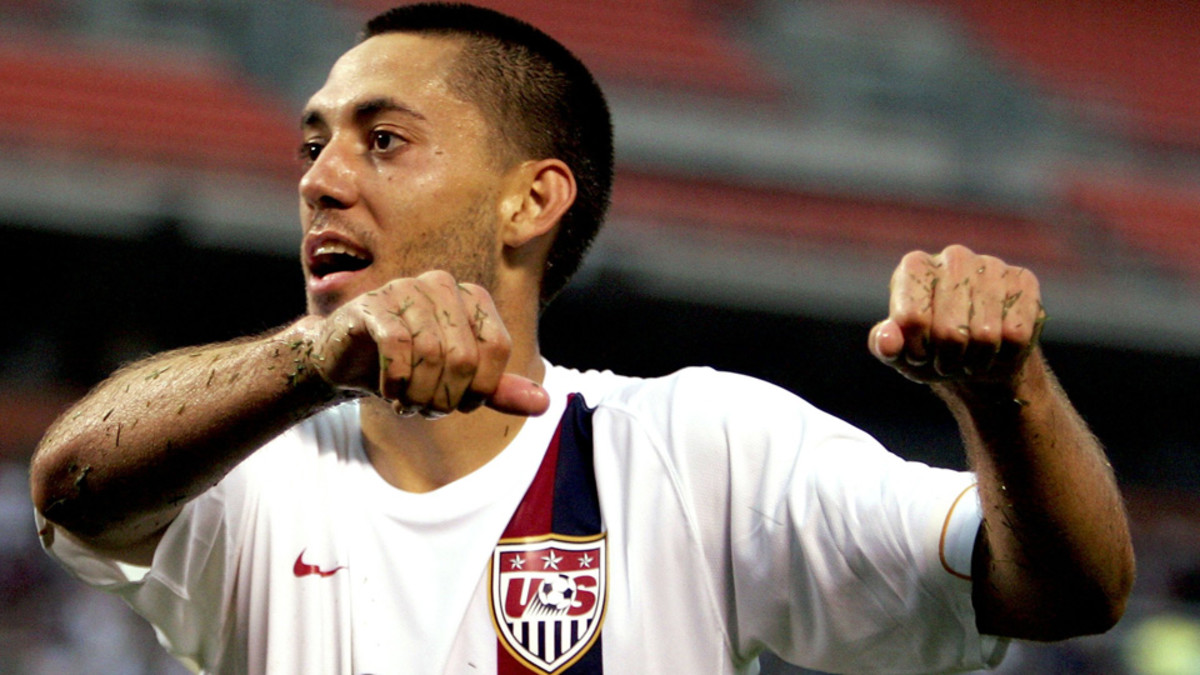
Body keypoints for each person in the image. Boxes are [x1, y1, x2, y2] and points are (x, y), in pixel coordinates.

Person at [30, 3, 1134, 674]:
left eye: (384, 140)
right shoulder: (256, 468)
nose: (320, 179)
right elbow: (74, 483)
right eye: (313, 145)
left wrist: (1008, 393)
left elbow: (1066, 594)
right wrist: (309, 361)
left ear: (532, 200)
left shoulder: (695, 450)